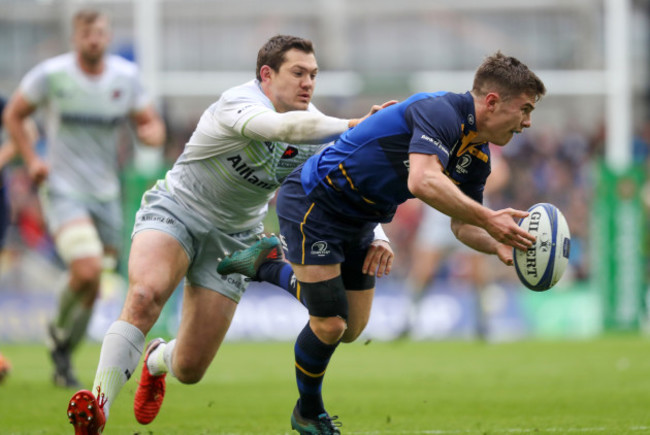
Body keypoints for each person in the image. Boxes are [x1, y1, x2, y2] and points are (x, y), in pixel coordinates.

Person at [65, 34, 393, 434]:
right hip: (177, 210)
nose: (308, 82)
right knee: (143, 295)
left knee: (188, 368)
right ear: (266, 75)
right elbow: (277, 126)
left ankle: (155, 360)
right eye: (298, 73)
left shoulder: (316, 131)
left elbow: (344, 186)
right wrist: (353, 125)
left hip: (236, 239)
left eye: (314, 75)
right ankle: (97, 409)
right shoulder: (239, 103)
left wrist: (379, 234)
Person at [222, 51, 546, 434]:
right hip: (317, 200)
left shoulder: (476, 156)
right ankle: (308, 412)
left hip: (363, 219)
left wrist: (495, 243)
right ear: (492, 102)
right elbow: (422, 181)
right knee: (328, 323)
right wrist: (491, 220)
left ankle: (270, 263)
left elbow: (461, 225)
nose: (527, 122)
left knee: (352, 328)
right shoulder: (440, 112)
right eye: (525, 109)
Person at [3, 9, 166, 389]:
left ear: (107, 37)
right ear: (76, 37)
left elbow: (149, 121)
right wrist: (32, 159)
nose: (94, 38)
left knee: (93, 283)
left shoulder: (124, 78)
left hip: (107, 193)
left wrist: (152, 133)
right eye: (86, 32)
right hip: (63, 189)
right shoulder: (52, 75)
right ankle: (58, 332)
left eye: (100, 32)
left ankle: (62, 349)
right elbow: (14, 114)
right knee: (87, 269)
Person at [401, 149, 511, 340]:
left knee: (478, 274)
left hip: (474, 211)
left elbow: (502, 173)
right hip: (439, 211)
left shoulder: (479, 141)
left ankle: (483, 326)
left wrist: (475, 188)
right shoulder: (442, 139)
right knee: (423, 271)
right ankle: (407, 323)